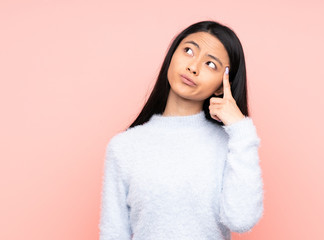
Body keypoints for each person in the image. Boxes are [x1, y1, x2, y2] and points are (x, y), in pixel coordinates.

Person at [98, 20, 264, 240]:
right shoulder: (124, 147)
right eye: (188, 51)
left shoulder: (231, 145)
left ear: (221, 86)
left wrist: (241, 130)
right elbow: (113, 233)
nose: (193, 67)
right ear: (171, 56)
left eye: (210, 64)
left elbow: (241, 220)